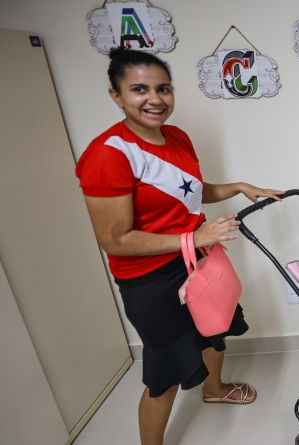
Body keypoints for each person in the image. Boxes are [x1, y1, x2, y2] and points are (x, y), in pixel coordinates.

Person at [75, 48, 284, 445]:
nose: (155, 98)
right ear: (116, 96)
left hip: (196, 259)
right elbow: (114, 239)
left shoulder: (177, 137)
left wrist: (239, 186)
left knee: (215, 329)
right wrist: (193, 237)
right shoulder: (108, 155)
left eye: (163, 88)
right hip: (150, 279)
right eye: (139, 89)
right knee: (164, 375)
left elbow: (189, 193)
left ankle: (214, 389)